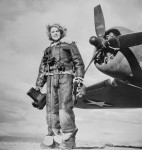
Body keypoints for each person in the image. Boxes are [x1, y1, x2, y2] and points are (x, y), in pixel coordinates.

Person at [35, 23, 85, 149]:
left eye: (57, 31)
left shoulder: (70, 45)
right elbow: (42, 68)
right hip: (51, 79)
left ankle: (69, 139)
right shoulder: (47, 49)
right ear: (50, 34)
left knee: (64, 108)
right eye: (53, 32)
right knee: (51, 109)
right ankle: (52, 138)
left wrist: (79, 79)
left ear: (61, 32)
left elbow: (78, 62)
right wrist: (39, 85)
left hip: (66, 77)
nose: (55, 33)